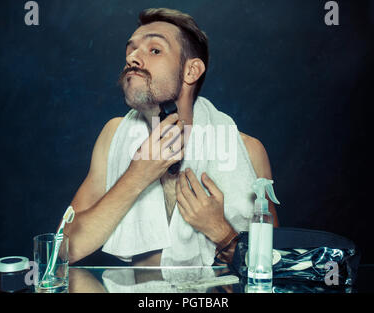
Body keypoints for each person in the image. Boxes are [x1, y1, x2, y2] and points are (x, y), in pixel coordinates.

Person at [64, 8, 278, 266]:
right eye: (130, 50)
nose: (133, 57)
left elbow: (277, 266)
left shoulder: (248, 150)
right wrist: (137, 175)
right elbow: (64, 249)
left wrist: (220, 232)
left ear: (191, 71)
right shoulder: (114, 136)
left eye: (154, 50)